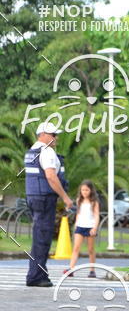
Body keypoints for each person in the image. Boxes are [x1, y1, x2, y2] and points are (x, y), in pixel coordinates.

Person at [24, 122, 73, 287]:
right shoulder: (47, 151)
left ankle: (35, 274)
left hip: (34, 197)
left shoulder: (32, 152)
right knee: (43, 238)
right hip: (44, 199)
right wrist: (65, 197)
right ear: (43, 134)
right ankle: (36, 276)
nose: (56, 138)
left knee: (39, 236)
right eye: (53, 135)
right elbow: (51, 177)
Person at [64, 180, 100, 278]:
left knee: (91, 249)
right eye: (83, 190)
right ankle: (71, 269)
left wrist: (95, 228)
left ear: (91, 190)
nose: (84, 192)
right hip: (80, 226)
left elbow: (97, 216)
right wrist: (76, 223)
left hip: (90, 227)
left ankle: (92, 270)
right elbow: (78, 214)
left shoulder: (94, 202)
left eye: (86, 190)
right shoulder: (79, 200)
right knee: (76, 248)